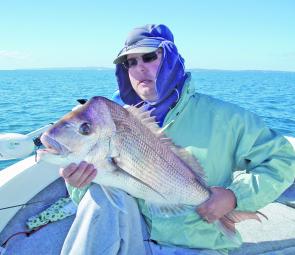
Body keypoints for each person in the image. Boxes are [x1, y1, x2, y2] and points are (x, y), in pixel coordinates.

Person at [59, 24, 295, 255]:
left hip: (200, 245)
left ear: (171, 58)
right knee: (98, 195)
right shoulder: (112, 124)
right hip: (135, 238)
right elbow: (105, 194)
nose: (139, 67)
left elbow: (283, 159)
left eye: (149, 57)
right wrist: (80, 183)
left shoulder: (225, 118)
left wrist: (234, 197)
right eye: (131, 62)